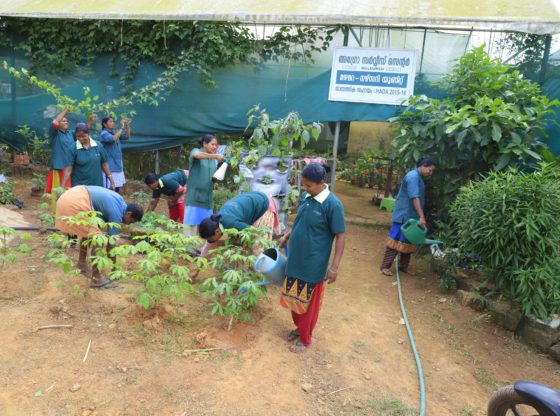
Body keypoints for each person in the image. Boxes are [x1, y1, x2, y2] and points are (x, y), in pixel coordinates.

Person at [278, 163, 346, 353]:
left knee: (309, 302)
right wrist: (286, 236)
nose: (305, 188)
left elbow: (340, 235)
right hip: (295, 258)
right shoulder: (307, 197)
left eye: (309, 185)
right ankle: (299, 328)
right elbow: (299, 221)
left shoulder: (333, 204)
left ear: (321, 183)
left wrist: (334, 267)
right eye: (304, 185)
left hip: (313, 263)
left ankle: (305, 338)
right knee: (294, 297)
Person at [55, 185, 143, 288]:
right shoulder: (116, 214)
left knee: (90, 232)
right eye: (131, 221)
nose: (128, 224)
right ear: (128, 214)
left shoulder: (119, 201)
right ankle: (97, 279)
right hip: (75, 202)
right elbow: (111, 245)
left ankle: (81, 264)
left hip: (71, 195)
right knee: (98, 240)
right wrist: (114, 270)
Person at [380, 156, 438, 276]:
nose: (430, 173)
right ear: (424, 165)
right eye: (430, 170)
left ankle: (403, 267)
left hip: (411, 215)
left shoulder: (418, 177)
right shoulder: (413, 177)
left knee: (408, 240)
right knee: (395, 239)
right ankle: (385, 267)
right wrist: (422, 216)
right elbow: (414, 197)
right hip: (403, 215)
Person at [197, 191, 281, 256]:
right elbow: (209, 245)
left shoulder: (230, 224)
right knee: (239, 243)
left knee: (259, 246)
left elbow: (254, 232)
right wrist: (198, 267)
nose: (211, 241)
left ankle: (262, 274)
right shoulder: (216, 221)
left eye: (211, 239)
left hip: (263, 203)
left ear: (217, 232)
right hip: (252, 199)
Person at [45, 107, 95, 194]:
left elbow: (84, 132)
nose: (66, 122)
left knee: (70, 192)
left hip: (71, 167)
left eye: (67, 121)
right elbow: (55, 122)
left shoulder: (71, 133)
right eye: (63, 121)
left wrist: (90, 120)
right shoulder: (54, 134)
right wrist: (65, 111)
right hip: (59, 167)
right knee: (58, 193)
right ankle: (58, 207)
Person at [183, 134, 225, 235]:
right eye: (212, 144)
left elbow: (212, 179)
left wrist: (217, 178)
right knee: (191, 229)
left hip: (207, 201)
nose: (215, 147)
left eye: (216, 145)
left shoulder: (213, 161)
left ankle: (201, 251)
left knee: (205, 229)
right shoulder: (196, 151)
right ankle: (188, 250)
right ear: (205, 144)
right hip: (194, 199)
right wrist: (216, 156)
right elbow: (197, 156)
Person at [60, 123, 115, 190]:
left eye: (83, 136)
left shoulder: (98, 146)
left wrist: (111, 181)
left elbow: (104, 165)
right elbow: (68, 170)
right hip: (79, 188)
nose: (81, 139)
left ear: (89, 134)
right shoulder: (73, 149)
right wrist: (61, 188)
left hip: (97, 186)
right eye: (78, 136)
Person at [99, 117, 130, 193]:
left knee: (117, 187)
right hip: (109, 166)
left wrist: (127, 125)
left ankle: (115, 203)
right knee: (109, 189)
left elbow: (127, 136)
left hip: (117, 165)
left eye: (113, 121)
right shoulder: (104, 133)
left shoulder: (114, 132)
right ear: (105, 124)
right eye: (110, 121)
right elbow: (113, 139)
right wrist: (122, 127)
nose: (113, 123)